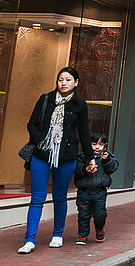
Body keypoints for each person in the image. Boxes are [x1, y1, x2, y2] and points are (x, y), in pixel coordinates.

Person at [19, 67, 92, 253]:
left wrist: (91, 158)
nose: (64, 83)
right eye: (61, 79)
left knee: (60, 198)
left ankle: (57, 235)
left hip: (65, 157)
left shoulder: (80, 105)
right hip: (41, 155)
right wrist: (40, 140)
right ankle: (29, 240)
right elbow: (32, 124)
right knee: (37, 198)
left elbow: (84, 133)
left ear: (76, 82)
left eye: (68, 80)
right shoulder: (45, 99)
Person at [74, 131, 119, 246]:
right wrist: (85, 168)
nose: (97, 147)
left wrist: (107, 160)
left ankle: (100, 229)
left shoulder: (107, 156)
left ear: (105, 145)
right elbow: (76, 170)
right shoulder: (82, 157)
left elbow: (113, 167)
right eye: (94, 144)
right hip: (84, 192)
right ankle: (83, 235)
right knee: (83, 214)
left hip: (100, 192)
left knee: (100, 214)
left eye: (100, 144)